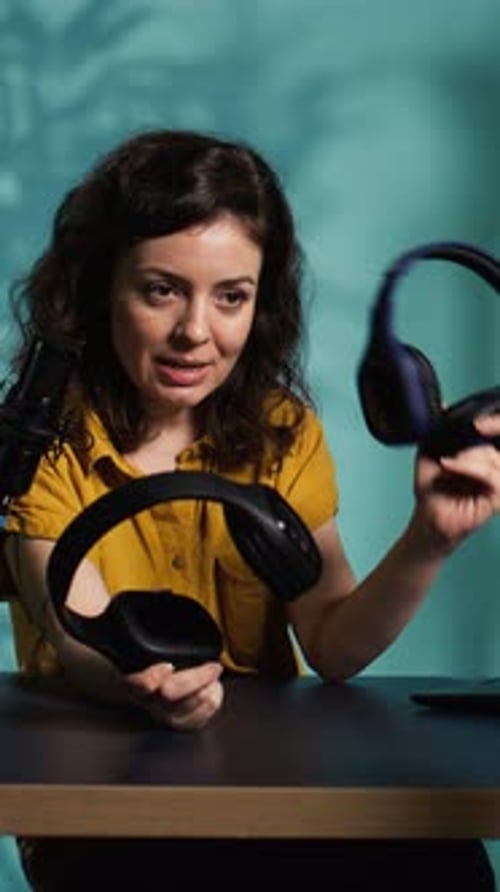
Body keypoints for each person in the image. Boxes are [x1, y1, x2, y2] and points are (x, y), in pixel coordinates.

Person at [2, 128, 497, 890]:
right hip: (103, 810)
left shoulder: (282, 432)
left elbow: (334, 644)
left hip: (274, 790)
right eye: (161, 290)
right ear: (103, 289)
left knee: (445, 866)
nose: (196, 332)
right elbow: (80, 639)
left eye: (230, 297)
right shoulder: (43, 447)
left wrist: (429, 539)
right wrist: (145, 681)